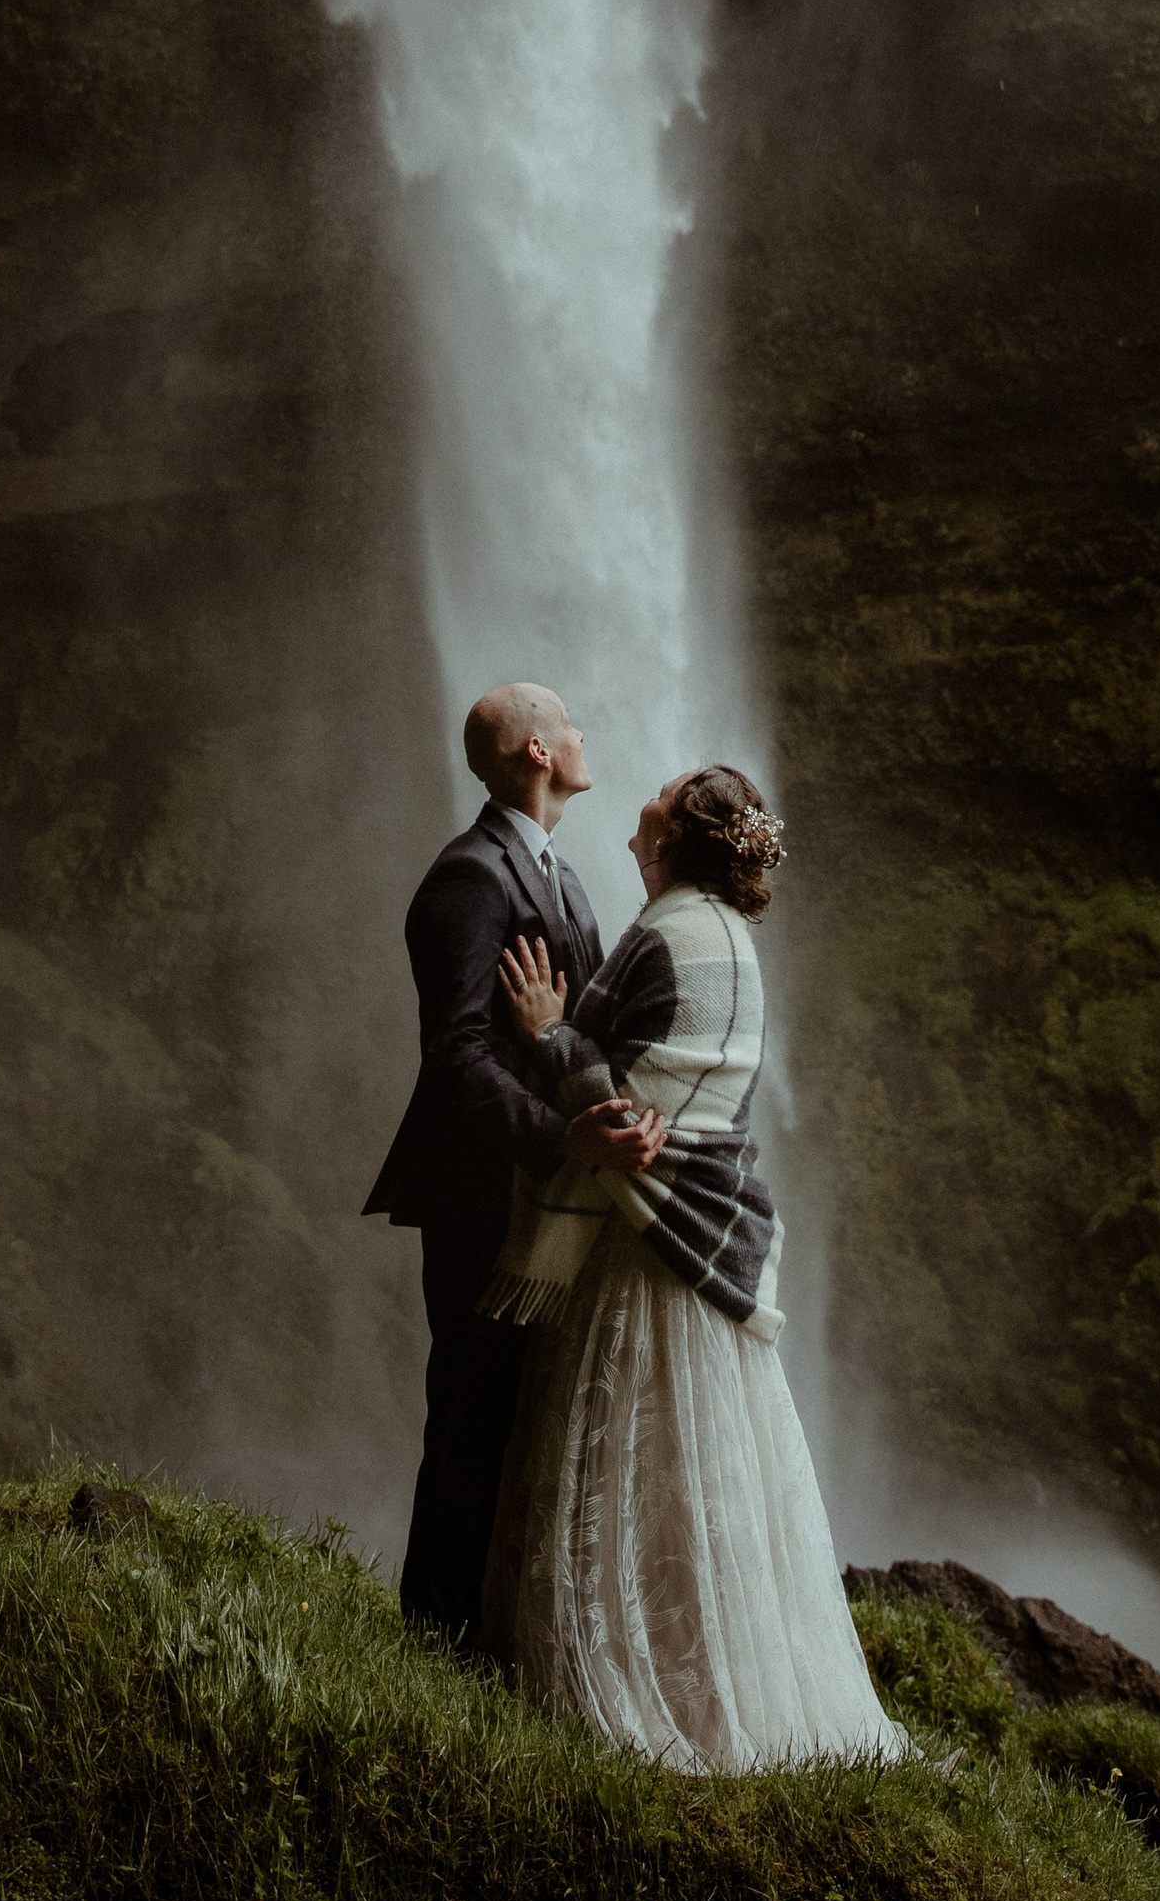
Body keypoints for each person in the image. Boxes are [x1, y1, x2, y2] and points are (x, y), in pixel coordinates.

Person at [479, 762, 907, 1771]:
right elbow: (700, 1105)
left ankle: (629, 1679)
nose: (640, 798)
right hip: (714, 1232)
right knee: (701, 1475)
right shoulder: (734, 945)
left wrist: (545, 1037)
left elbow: (622, 1112)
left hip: (644, 1238)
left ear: (672, 837)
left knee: (624, 1458)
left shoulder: (663, 934)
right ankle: (713, 1675)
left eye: (660, 794)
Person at [363, 680, 653, 1646]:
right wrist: (561, 1133)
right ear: (537, 751)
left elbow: (579, 1024)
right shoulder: (468, 880)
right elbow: (455, 1058)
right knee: (474, 1416)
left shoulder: (558, 874)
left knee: (527, 1417)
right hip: (483, 1193)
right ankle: (435, 1641)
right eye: (569, 722)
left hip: (547, 1198)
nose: (582, 733)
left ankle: (498, 1633)